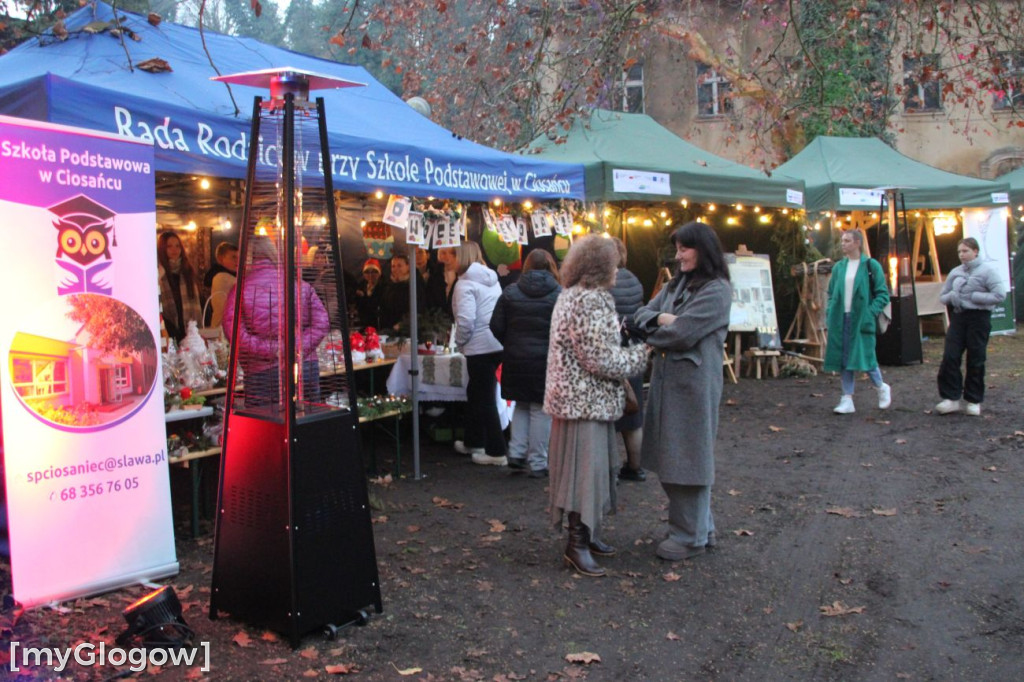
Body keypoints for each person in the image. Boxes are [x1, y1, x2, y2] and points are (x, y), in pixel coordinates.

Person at [545, 235, 649, 577]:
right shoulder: (592, 300)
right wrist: (641, 354)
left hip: (575, 401)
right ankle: (577, 544)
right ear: (600, 268)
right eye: (614, 266)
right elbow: (600, 359)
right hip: (586, 403)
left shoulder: (570, 295)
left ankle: (586, 537)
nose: (618, 273)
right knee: (585, 475)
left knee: (589, 472)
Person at [633, 221, 732, 562]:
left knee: (689, 459)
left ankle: (689, 536)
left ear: (702, 249)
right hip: (668, 384)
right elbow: (642, 314)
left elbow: (683, 334)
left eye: (684, 248)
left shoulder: (717, 290)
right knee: (675, 457)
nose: (678, 255)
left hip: (693, 389)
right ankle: (701, 529)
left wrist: (657, 324)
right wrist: (662, 319)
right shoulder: (680, 284)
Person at [222, 235, 329, 409]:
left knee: (265, 429)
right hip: (303, 368)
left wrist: (272, 349)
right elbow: (322, 322)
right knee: (307, 423)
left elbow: (234, 333)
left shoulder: (239, 290)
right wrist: (296, 347)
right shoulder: (299, 285)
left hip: (262, 374)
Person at [489, 249, 561, 478]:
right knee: (540, 409)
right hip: (545, 361)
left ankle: (517, 454)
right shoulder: (559, 293)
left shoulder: (510, 291)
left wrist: (511, 342)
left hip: (515, 358)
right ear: (550, 266)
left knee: (520, 405)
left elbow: (495, 325)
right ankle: (538, 462)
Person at [934, 237, 1006, 416]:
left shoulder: (988, 271)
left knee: (976, 358)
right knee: (950, 356)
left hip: (979, 318)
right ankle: (950, 398)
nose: (962, 255)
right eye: (959, 252)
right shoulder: (955, 272)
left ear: (976, 251)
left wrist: (975, 296)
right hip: (958, 316)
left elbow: (999, 295)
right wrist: (953, 297)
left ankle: (973, 399)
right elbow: (943, 296)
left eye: (965, 251)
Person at [450, 242, 507, 466]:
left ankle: (496, 451)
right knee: (476, 393)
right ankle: (473, 440)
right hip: (496, 343)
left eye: (453, 255)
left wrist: (460, 342)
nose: (449, 259)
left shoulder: (464, 284)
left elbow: (465, 320)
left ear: (461, 257)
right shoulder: (492, 279)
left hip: (479, 346)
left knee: (484, 398)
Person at [823, 229, 892, 415]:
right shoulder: (839, 267)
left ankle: (881, 387)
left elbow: (883, 294)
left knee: (865, 355)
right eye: (842, 240)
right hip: (841, 317)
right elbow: (830, 293)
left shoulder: (871, 265)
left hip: (861, 318)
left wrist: (870, 312)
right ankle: (847, 398)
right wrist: (830, 310)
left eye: (847, 240)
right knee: (843, 358)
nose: (843, 244)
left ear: (857, 243)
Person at [608, 237, 647, 482]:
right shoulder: (634, 279)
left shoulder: (600, 281)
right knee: (632, 413)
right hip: (633, 350)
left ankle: (608, 469)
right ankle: (635, 467)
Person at [157, 231, 202, 343]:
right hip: (169, 328)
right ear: (162, 249)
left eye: (177, 246)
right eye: (169, 246)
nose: (174, 250)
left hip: (189, 328)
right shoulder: (159, 272)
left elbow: (195, 303)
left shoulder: (187, 271)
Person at [379, 253, 424, 332]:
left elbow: (419, 307)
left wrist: (403, 324)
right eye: (393, 266)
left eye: (399, 266)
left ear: (408, 267)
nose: (396, 269)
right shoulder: (389, 284)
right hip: (390, 330)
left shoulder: (415, 283)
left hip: (409, 330)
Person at [207, 242, 238, 329]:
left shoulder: (231, 277)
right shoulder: (221, 277)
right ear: (221, 259)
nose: (237, 261)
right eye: (233, 257)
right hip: (223, 329)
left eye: (239, 257)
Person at [354, 258, 388, 330]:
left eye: (374, 272)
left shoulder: (385, 286)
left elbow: (378, 306)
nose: (370, 275)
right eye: (367, 272)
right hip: (364, 324)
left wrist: (364, 297)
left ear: (379, 273)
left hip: (380, 325)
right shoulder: (361, 286)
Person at [415, 246, 447, 313]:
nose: (417, 257)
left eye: (420, 253)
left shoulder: (437, 273)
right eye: (414, 254)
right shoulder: (409, 276)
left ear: (427, 255)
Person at [437, 247, 460, 316]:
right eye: (443, 253)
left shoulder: (463, 273)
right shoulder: (436, 275)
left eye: (452, 253)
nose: (447, 256)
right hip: (440, 317)